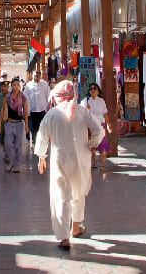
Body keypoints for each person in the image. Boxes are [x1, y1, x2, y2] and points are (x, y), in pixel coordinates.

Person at [34, 80, 105, 249]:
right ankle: (76, 227)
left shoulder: (52, 114)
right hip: (80, 159)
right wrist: (91, 144)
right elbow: (99, 130)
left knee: (61, 196)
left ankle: (64, 237)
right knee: (79, 192)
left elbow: (42, 136)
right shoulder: (81, 111)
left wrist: (41, 156)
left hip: (60, 160)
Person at [81, 83, 110, 170]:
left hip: (101, 125)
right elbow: (82, 114)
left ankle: (103, 165)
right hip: (90, 126)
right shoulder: (85, 101)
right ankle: (94, 163)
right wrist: (86, 108)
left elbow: (105, 113)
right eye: (91, 89)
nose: (93, 90)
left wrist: (109, 124)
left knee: (103, 145)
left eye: (95, 88)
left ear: (98, 91)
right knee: (91, 146)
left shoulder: (101, 101)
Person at [2, 80, 28, 172]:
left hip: (19, 124)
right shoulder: (7, 97)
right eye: (14, 85)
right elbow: (2, 110)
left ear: (20, 86)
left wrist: (26, 125)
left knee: (18, 146)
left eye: (18, 85)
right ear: (11, 86)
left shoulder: (23, 97)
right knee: (8, 144)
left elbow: (25, 111)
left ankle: (16, 164)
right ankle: (11, 161)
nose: (16, 87)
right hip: (9, 123)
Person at [26, 71, 51, 142]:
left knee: (42, 127)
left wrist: (48, 108)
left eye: (38, 76)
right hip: (32, 110)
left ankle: (41, 143)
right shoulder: (28, 85)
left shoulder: (44, 84)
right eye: (36, 76)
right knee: (34, 128)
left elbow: (48, 96)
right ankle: (34, 142)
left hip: (42, 110)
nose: (37, 78)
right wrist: (26, 110)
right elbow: (25, 97)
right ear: (33, 76)